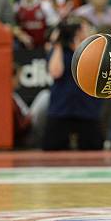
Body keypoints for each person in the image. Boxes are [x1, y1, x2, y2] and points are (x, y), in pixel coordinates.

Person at [44, 17, 103, 150]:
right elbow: (55, 72)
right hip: (61, 107)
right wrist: (57, 44)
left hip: (87, 107)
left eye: (82, 28)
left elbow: (88, 70)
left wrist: (81, 45)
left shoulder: (93, 49)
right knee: (52, 147)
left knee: (93, 148)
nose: (80, 32)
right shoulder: (58, 49)